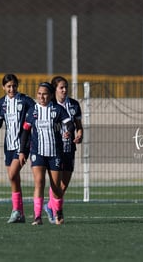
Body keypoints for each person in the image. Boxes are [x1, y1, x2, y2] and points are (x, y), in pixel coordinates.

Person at [19, 82, 75, 225]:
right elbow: (25, 132)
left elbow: (69, 123)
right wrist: (21, 151)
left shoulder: (57, 109)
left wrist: (68, 130)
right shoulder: (32, 111)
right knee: (39, 183)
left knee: (56, 187)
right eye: (39, 94)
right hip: (37, 152)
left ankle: (58, 212)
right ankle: (37, 217)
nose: (41, 97)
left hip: (55, 153)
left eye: (44, 94)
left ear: (50, 95)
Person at [0, 73, 35, 224]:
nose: (11, 89)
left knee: (12, 175)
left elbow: (36, 113)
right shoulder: (1, 103)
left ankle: (16, 210)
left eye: (14, 86)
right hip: (9, 146)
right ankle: (21, 214)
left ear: (17, 86)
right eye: (8, 86)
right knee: (14, 180)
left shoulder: (25, 100)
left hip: (22, 145)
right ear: (3, 87)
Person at [43, 76, 83, 224]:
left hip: (69, 149)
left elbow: (78, 126)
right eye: (61, 87)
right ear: (55, 90)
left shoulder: (74, 105)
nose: (65, 90)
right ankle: (56, 212)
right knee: (55, 183)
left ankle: (49, 206)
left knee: (63, 185)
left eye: (66, 87)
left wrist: (79, 135)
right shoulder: (50, 106)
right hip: (54, 150)